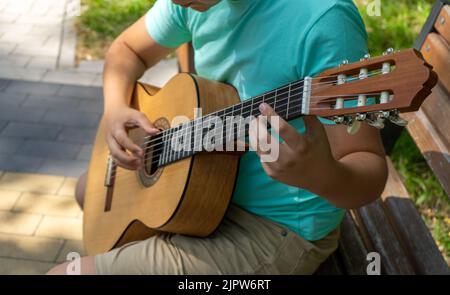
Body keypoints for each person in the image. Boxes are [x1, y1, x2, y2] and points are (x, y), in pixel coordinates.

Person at [48, 0, 387, 275]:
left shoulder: (322, 19)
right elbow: (127, 50)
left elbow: (369, 170)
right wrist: (115, 109)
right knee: (89, 192)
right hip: (204, 190)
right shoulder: (190, 2)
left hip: (275, 229)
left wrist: (318, 174)